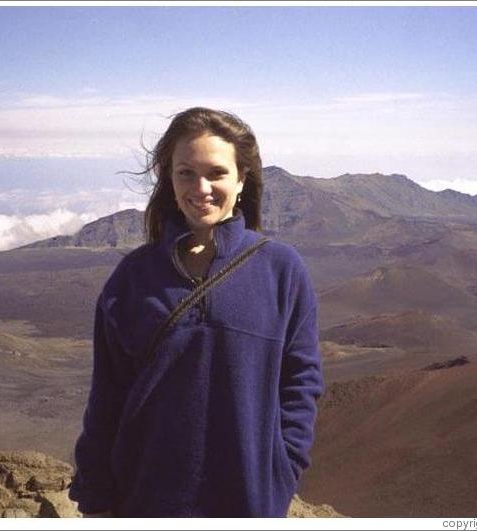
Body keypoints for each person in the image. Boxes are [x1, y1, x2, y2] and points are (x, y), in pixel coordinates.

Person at [68, 107, 324, 517]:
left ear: (242, 179)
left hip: (248, 503)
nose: (200, 187)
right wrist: (97, 498)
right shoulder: (132, 278)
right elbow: (107, 400)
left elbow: (301, 383)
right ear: (168, 179)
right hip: (145, 503)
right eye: (186, 172)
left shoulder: (282, 271)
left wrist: (281, 471)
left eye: (217, 173)